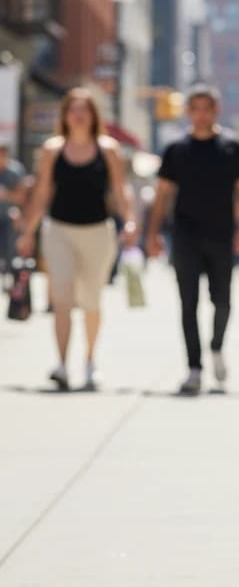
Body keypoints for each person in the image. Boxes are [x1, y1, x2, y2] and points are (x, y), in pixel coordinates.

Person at [16, 88, 136, 390]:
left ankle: (91, 361)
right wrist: (28, 231)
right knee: (62, 298)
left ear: (94, 115)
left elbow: (120, 190)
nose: (79, 115)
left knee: (91, 300)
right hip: (58, 230)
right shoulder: (52, 149)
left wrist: (130, 221)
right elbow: (42, 192)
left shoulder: (108, 149)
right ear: (65, 115)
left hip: (98, 232)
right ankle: (61, 364)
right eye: (73, 109)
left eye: (85, 109)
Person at [146, 84, 239, 394]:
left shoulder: (232, 147)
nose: (202, 114)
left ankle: (216, 348)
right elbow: (162, 194)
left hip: (221, 234)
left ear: (216, 110)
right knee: (188, 303)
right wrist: (152, 233)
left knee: (222, 301)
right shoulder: (176, 150)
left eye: (207, 108)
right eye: (196, 109)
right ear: (188, 112)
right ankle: (194, 368)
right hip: (185, 235)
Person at [0, 139, 27, 276]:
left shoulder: (16, 171)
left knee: (10, 251)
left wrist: (6, 194)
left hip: (10, 217)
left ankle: (11, 276)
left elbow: (23, 197)